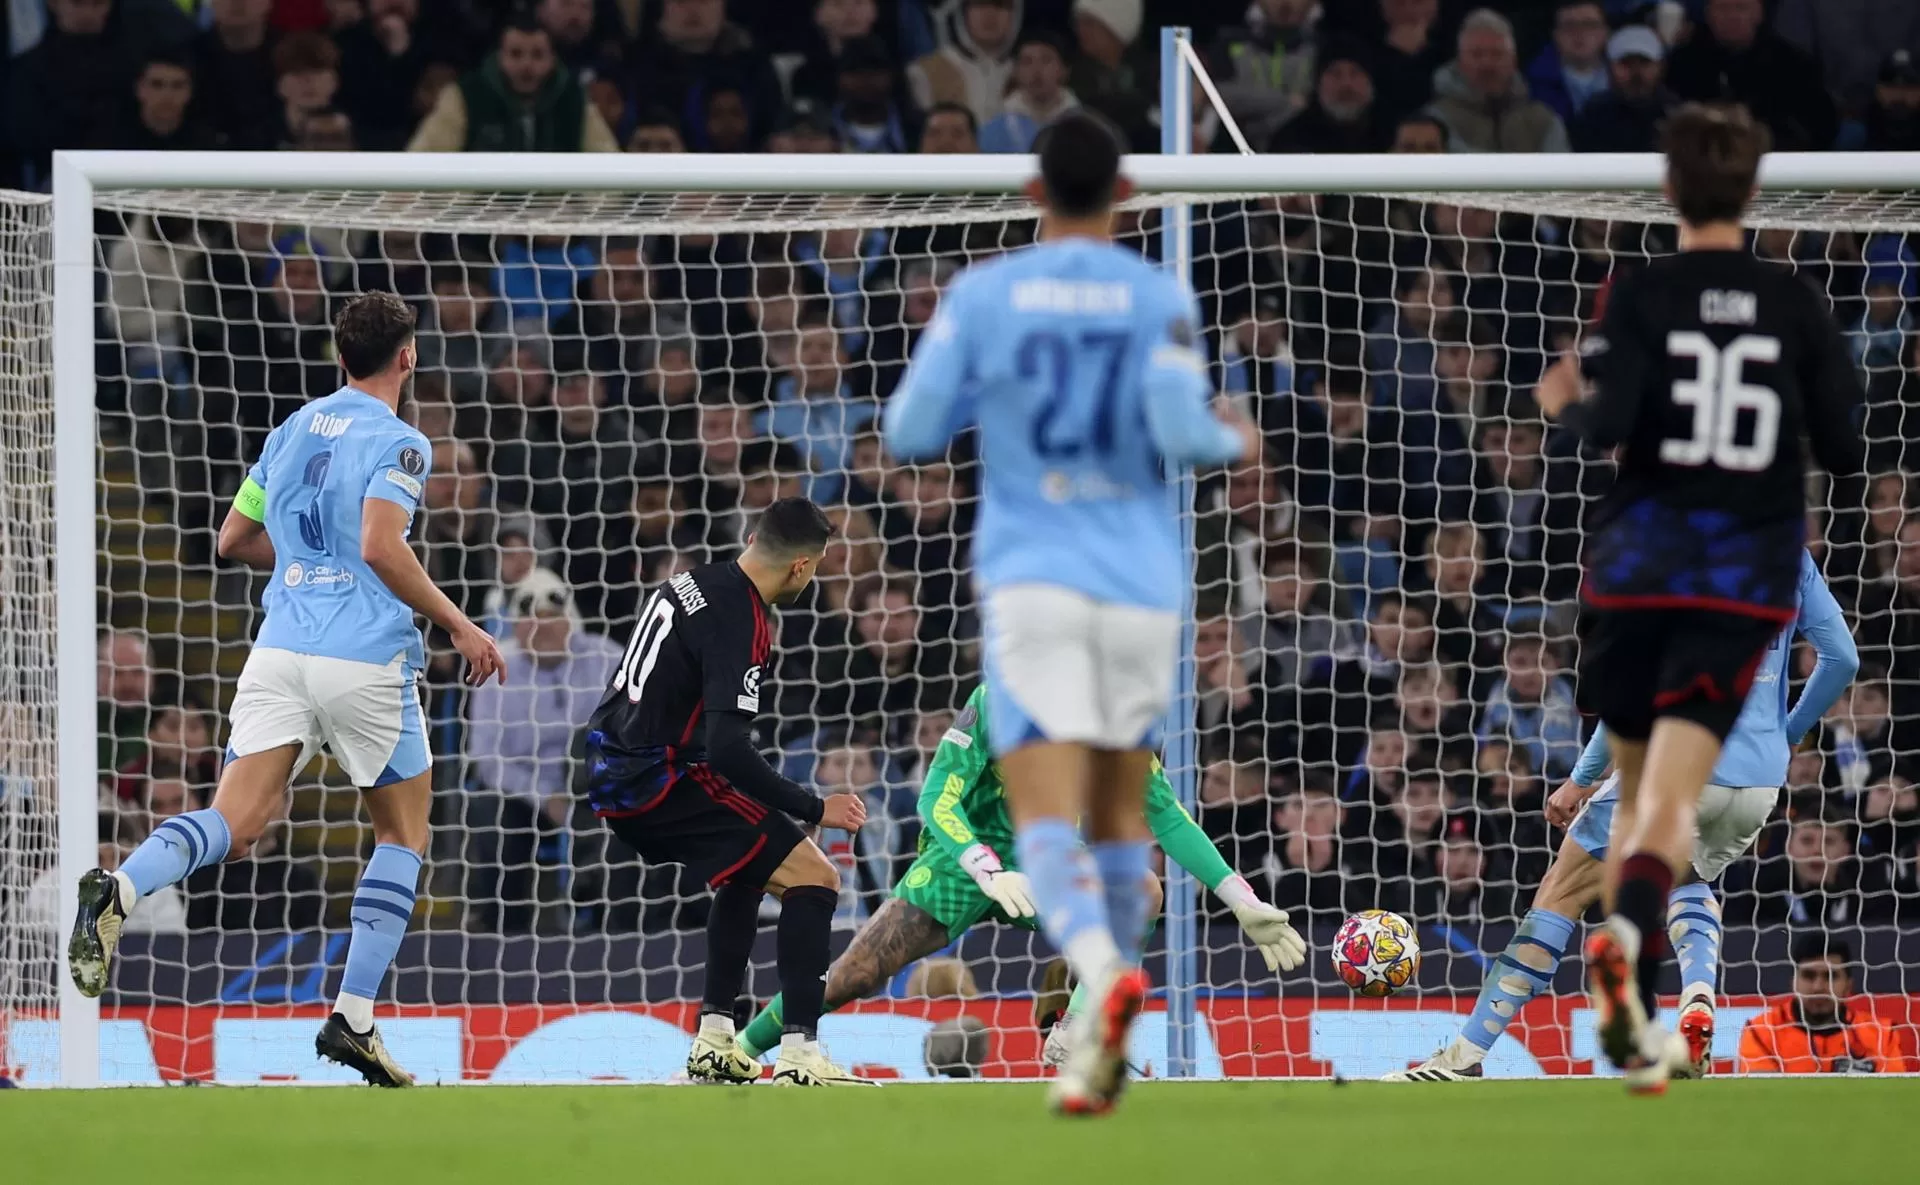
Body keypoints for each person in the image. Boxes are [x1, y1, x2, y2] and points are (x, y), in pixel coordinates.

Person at [883, 110, 1257, 1115]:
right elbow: (1190, 435)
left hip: (1035, 581)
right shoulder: (1157, 295)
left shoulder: (985, 294)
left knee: (1046, 819)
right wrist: (1237, 438)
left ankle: (1101, 972)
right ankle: (1101, 1015)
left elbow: (910, 428)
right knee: (1125, 814)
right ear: (1126, 195)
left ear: (1032, 192)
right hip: (1140, 585)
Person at [68, 292, 508, 1088]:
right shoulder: (403, 442)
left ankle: (121, 884)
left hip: (278, 651)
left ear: (340, 358)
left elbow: (232, 538)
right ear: (407, 356)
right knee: (403, 833)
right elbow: (380, 545)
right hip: (364, 658)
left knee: (235, 825)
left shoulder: (290, 429)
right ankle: (354, 1016)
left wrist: (309, 563)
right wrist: (459, 624)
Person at [1535, 104, 1866, 1093]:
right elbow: (1847, 449)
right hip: (1739, 576)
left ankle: (1631, 1000)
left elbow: (1608, 423)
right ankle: (1629, 958)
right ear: (1756, 190)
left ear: (1668, 189)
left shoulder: (1638, 295)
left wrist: (1563, 409)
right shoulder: (1794, 303)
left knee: (1641, 804)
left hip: (1638, 569)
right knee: (1674, 807)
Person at [1386, 549, 1857, 1083]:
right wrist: (1787, 734)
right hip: (1759, 783)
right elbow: (1842, 659)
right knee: (1688, 877)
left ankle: (1465, 1055)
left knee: (1561, 891)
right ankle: (1698, 995)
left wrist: (1580, 779)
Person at [728, 683, 1306, 1067]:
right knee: (854, 974)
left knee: (1140, 887)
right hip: (962, 859)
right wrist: (985, 867)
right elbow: (935, 798)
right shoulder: (1000, 700)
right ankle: (737, 1053)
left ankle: (1078, 1025)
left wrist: (1239, 898)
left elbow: (1168, 817)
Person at [582, 498, 870, 1087]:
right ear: (800, 566)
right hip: (659, 777)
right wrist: (817, 807)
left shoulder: (690, 581)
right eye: (816, 566)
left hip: (613, 763)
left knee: (748, 866)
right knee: (816, 877)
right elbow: (729, 751)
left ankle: (715, 1040)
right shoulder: (743, 620)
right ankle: (800, 1054)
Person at [405, 17, 618, 153]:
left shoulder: (574, 99)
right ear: (499, 57)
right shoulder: (466, 96)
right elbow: (424, 157)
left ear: (552, 60)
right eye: (516, 54)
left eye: (537, 55)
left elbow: (607, 166)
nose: (527, 66)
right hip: (480, 208)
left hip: (556, 208)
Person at [1736, 936, 1913, 1074]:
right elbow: (1762, 1099)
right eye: (1809, 975)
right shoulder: (1761, 1030)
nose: (1818, 987)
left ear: (1848, 985)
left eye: (1830, 976)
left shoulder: (1882, 1033)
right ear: (1793, 982)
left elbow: (1891, 1098)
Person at [1570, 24, 1676, 154]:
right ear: (1610, 67)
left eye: (1644, 63)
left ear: (1660, 66)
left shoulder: (1675, 115)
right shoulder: (1593, 114)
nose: (1636, 73)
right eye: (1626, 63)